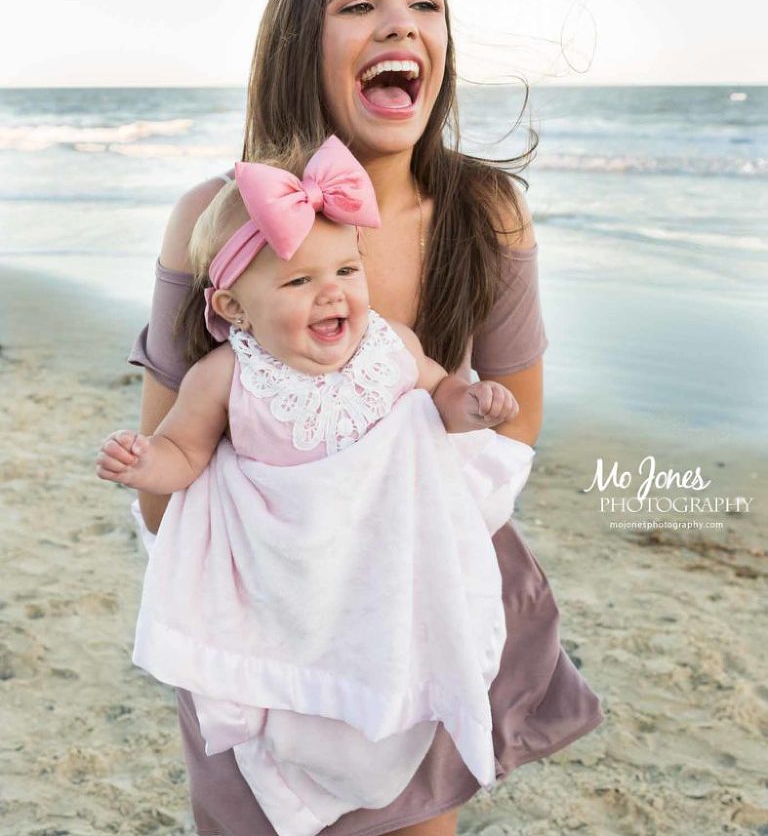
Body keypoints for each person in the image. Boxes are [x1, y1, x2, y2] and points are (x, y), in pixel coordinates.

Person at [125, 0, 603, 836]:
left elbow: (513, 432)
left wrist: (397, 494)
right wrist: (298, 521)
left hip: (411, 613)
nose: (400, 22)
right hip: (262, 623)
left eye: (425, 1)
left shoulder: (485, 213)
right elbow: (161, 486)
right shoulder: (212, 223)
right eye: (359, 4)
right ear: (302, 44)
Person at [98, 135, 540, 835]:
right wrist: (142, 460)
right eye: (298, 281)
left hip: (375, 573)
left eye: (345, 268)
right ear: (235, 309)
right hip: (291, 585)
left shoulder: (390, 346)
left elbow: (439, 395)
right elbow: (183, 451)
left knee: (388, 666)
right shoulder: (229, 374)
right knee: (292, 699)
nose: (332, 291)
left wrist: (472, 407)